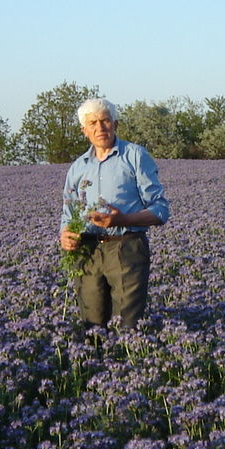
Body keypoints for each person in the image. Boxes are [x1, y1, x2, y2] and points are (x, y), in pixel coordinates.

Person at [60, 98, 169, 331]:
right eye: (93, 123)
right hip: (87, 251)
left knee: (128, 326)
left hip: (126, 247)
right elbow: (68, 212)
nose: (100, 128)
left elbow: (160, 209)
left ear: (115, 124)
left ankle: (127, 365)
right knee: (92, 327)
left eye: (105, 120)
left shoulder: (135, 156)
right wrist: (65, 234)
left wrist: (122, 220)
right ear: (84, 130)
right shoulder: (78, 167)